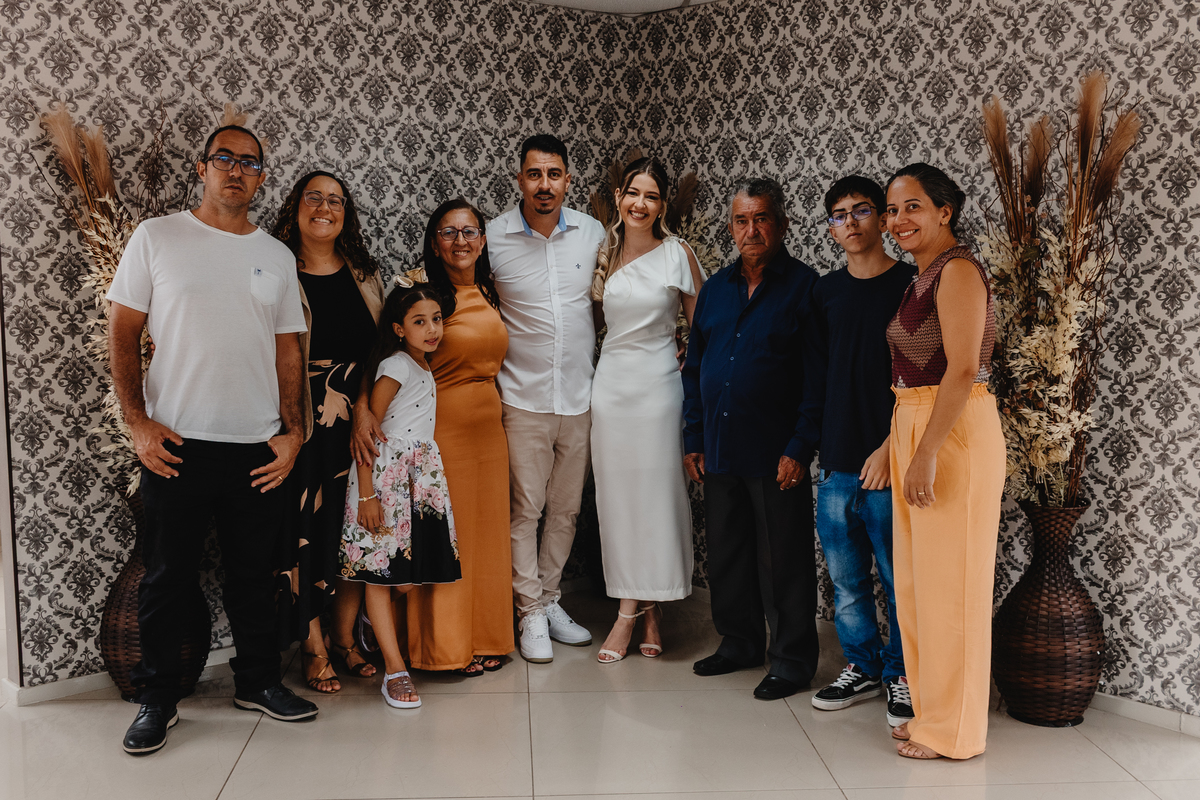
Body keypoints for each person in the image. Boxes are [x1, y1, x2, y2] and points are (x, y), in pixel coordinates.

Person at [108, 125, 318, 755]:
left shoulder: (276, 256)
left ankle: (257, 682)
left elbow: (289, 351)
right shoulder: (157, 237)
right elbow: (122, 332)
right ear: (202, 168)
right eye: (223, 158)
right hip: (177, 444)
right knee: (166, 578)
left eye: (249, 162)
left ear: (261, 177)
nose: (236, 170)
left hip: (257, 446)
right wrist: (137, 422)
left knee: (254, 576)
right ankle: (157, 698)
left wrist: (295, 433)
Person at [682, 178, 822, 701]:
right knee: (728, 553)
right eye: (742, 220)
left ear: (782, 224)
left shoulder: (805, 287)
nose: (752, 230)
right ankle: (739, 642)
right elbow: (695, 368)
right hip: (719, 445)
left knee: (782, 561)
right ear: (731, 227)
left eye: (762, 218)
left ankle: (792, 661)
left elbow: (816, 380)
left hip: (775, 450)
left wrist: (799, 446)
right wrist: (693, 435)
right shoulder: (715, 290)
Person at [884, 163, 1005, 760]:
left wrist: (926, 451)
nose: (897, 220)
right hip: (914, 420)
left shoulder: (957, 270)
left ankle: (956, 732)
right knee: (918, 587)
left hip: (951, 430)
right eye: (892, 209)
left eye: (912, 207)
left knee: (952, 586)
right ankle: (933, 712)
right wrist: (896, 444)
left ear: (944, 212)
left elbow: (962, 369)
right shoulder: (920, 277)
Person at [486, 134, 606, 663]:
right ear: (520, 179)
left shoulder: (592, 232)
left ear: (567, 181)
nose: (544, 184)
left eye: (554, 174)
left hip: (580, 398)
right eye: (534, 174)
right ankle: (528, 610)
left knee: (566, 510)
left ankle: (551, 599)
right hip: (522, 398)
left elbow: (604, 305)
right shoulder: (493, 237)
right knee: (525, 510)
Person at [271, 171, 386, 693]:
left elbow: (379, 350)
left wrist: (363, 406)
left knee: (352, 531)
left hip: (356, 419)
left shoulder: (364, 273)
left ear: (347, 213)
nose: (324, 207)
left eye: (335, 200)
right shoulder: (276, 269)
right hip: (297, 420)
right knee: (305, 532)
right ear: (295, 207)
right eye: (313, 197)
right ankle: (312, 645)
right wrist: (291, 425)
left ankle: (344, 638)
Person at [808, 175, 915, 727]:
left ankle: (903, 674)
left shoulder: (912, 286)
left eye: (861, 210)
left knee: (899, 581)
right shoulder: (824, 292)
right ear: (830, 228)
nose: (849, 222)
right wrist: (813, 449)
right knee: (847, 583)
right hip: (837, 464)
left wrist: (891, 449)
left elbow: (927, 381)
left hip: (890, 463)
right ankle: (863, 667)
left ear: (882, 219)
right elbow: (815, 377)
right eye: (838, 214)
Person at [589, 158, 705, 663]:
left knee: (657, 499)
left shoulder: (678, 253)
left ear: (662, 205)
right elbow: (595, 323)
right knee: (618, 502)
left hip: (659, 391)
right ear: (619, 197)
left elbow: (703, 330)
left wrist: (685, 354)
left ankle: (631, 613)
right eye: (633, 193)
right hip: (611, 390)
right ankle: (644, 609)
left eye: (652, 196)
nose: (640, 203)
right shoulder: (603, 252)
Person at [405, 198, 516, 675]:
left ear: (483, 241)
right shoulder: (423, 295)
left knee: (487, 535)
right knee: (449, 536)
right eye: (448, 232)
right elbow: (394, 360)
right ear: (435, 244)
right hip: (442, 428)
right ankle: (445, 648)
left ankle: (488, 636)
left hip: (490, 431)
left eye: (469, 231)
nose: (460, 241)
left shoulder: (489, 291)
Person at [341, 281, 463, 708]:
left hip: (420, 479)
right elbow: (367, 436)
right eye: (419, 322)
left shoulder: (423, 366)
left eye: (436, 319)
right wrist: (367, 496)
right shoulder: (395, 366)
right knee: (383, 574)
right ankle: (395, 671)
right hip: (385, 480)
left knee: (410, 576)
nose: (432, 329)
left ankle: (367, 618)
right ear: (398, 329)